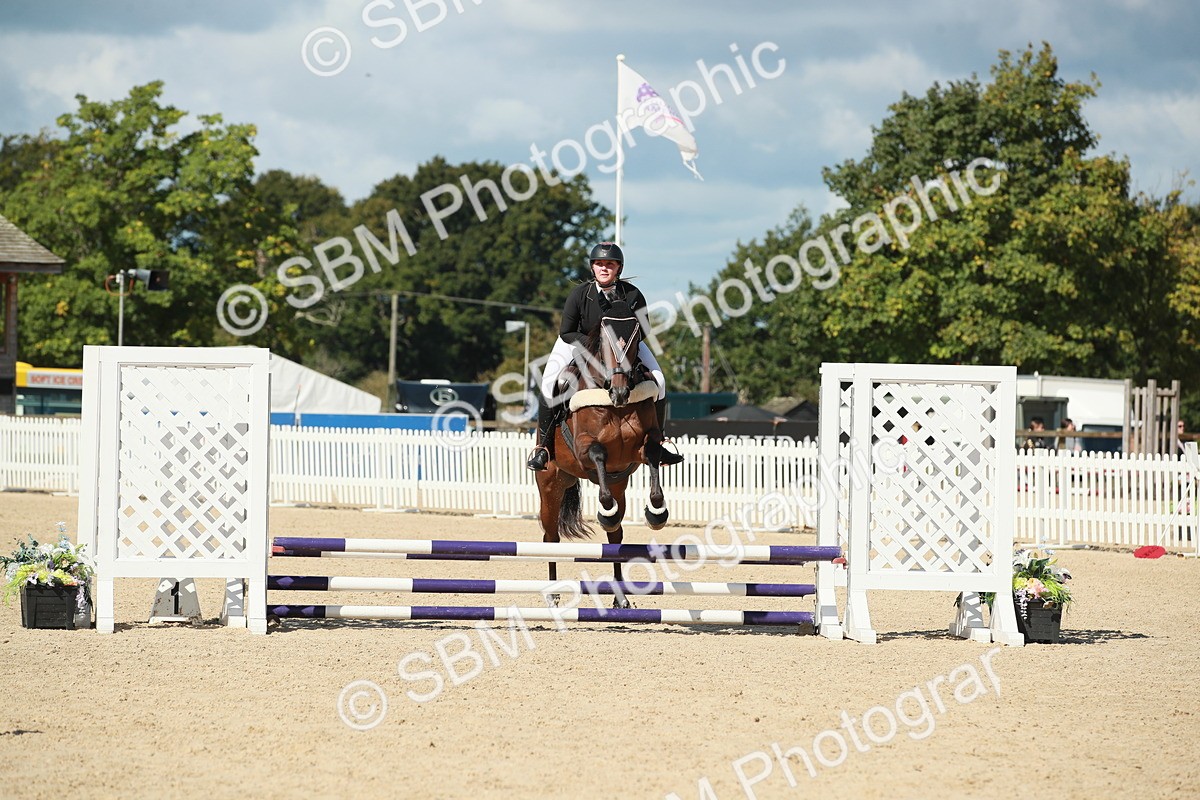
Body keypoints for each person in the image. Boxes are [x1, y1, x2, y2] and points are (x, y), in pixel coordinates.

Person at [526, 241, 682, 471]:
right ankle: (544, 448)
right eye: (599, 264)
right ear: (592, 268)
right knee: (550, 383)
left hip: (624, 348)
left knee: (659, 380)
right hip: (577, 344)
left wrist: (623, 349)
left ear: (619, 267)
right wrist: (594, 348)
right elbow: (566, 331)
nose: (604, 268)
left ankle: (659, 442)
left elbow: (644, 329)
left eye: (610, 264)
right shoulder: (580, 294)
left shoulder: (632, 295)